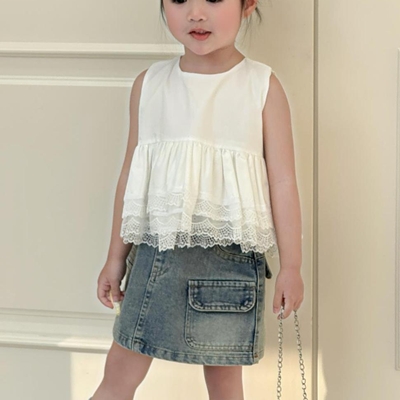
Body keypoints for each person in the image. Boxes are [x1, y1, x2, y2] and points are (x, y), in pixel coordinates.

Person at [90, 0, 304, 399]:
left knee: (225, 385)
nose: (196, 13)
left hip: (228, 263)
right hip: (154, 254)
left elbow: (283, 183)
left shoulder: (261, 86)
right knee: (119, 374)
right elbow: (131, 177)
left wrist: (292, 266)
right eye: (179, 0)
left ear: (248, 5)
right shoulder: (150, 84)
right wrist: (115, 258)